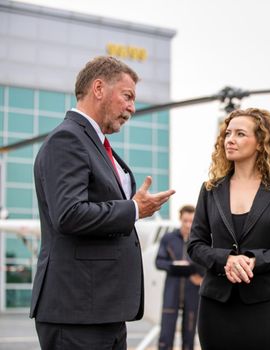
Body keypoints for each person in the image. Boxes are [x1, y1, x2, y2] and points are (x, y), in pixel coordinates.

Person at [30, 56, 175, 350]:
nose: (132, 108)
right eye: (127, 96)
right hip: (76, 314)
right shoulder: (67, 139)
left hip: (101, 311)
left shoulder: (93, 143)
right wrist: (134, 209)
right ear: (98, 88)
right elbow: (69, 214)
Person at [187, 108, 270, 350]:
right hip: (216, 305)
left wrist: (253, 260)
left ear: (261, 143)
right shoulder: (210, 189)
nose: (230, 139)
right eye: (228, 133)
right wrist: (226, 260)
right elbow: (195, 245)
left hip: (266, 306)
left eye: (240, 134)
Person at [156, 204, 204, 350]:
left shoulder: (200, 241)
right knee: (166, 334)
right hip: (172, 289)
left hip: (192, 290)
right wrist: (175, 265)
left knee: (189, 335)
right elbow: (159, 262)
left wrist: (201, 278)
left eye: (191, 221)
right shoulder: (168, 238)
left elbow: (207, 264)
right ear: (180, 219)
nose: (188, 225)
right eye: (185, 221)